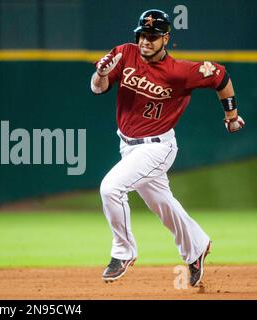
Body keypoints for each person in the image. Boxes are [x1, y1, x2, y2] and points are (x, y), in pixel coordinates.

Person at [91, 9, 244, 287]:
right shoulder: (125, 54)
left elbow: (220, 76)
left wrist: (231, 116)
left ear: (166, 39)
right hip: (127, 146)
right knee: (162, 203)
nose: (145, 41)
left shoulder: (180, 72)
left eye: (152, 36)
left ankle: (123, 252)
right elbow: (98, 89)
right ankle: (197, 247)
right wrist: (100, 73)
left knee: (110, 188)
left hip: (156, 148)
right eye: (142, 35)